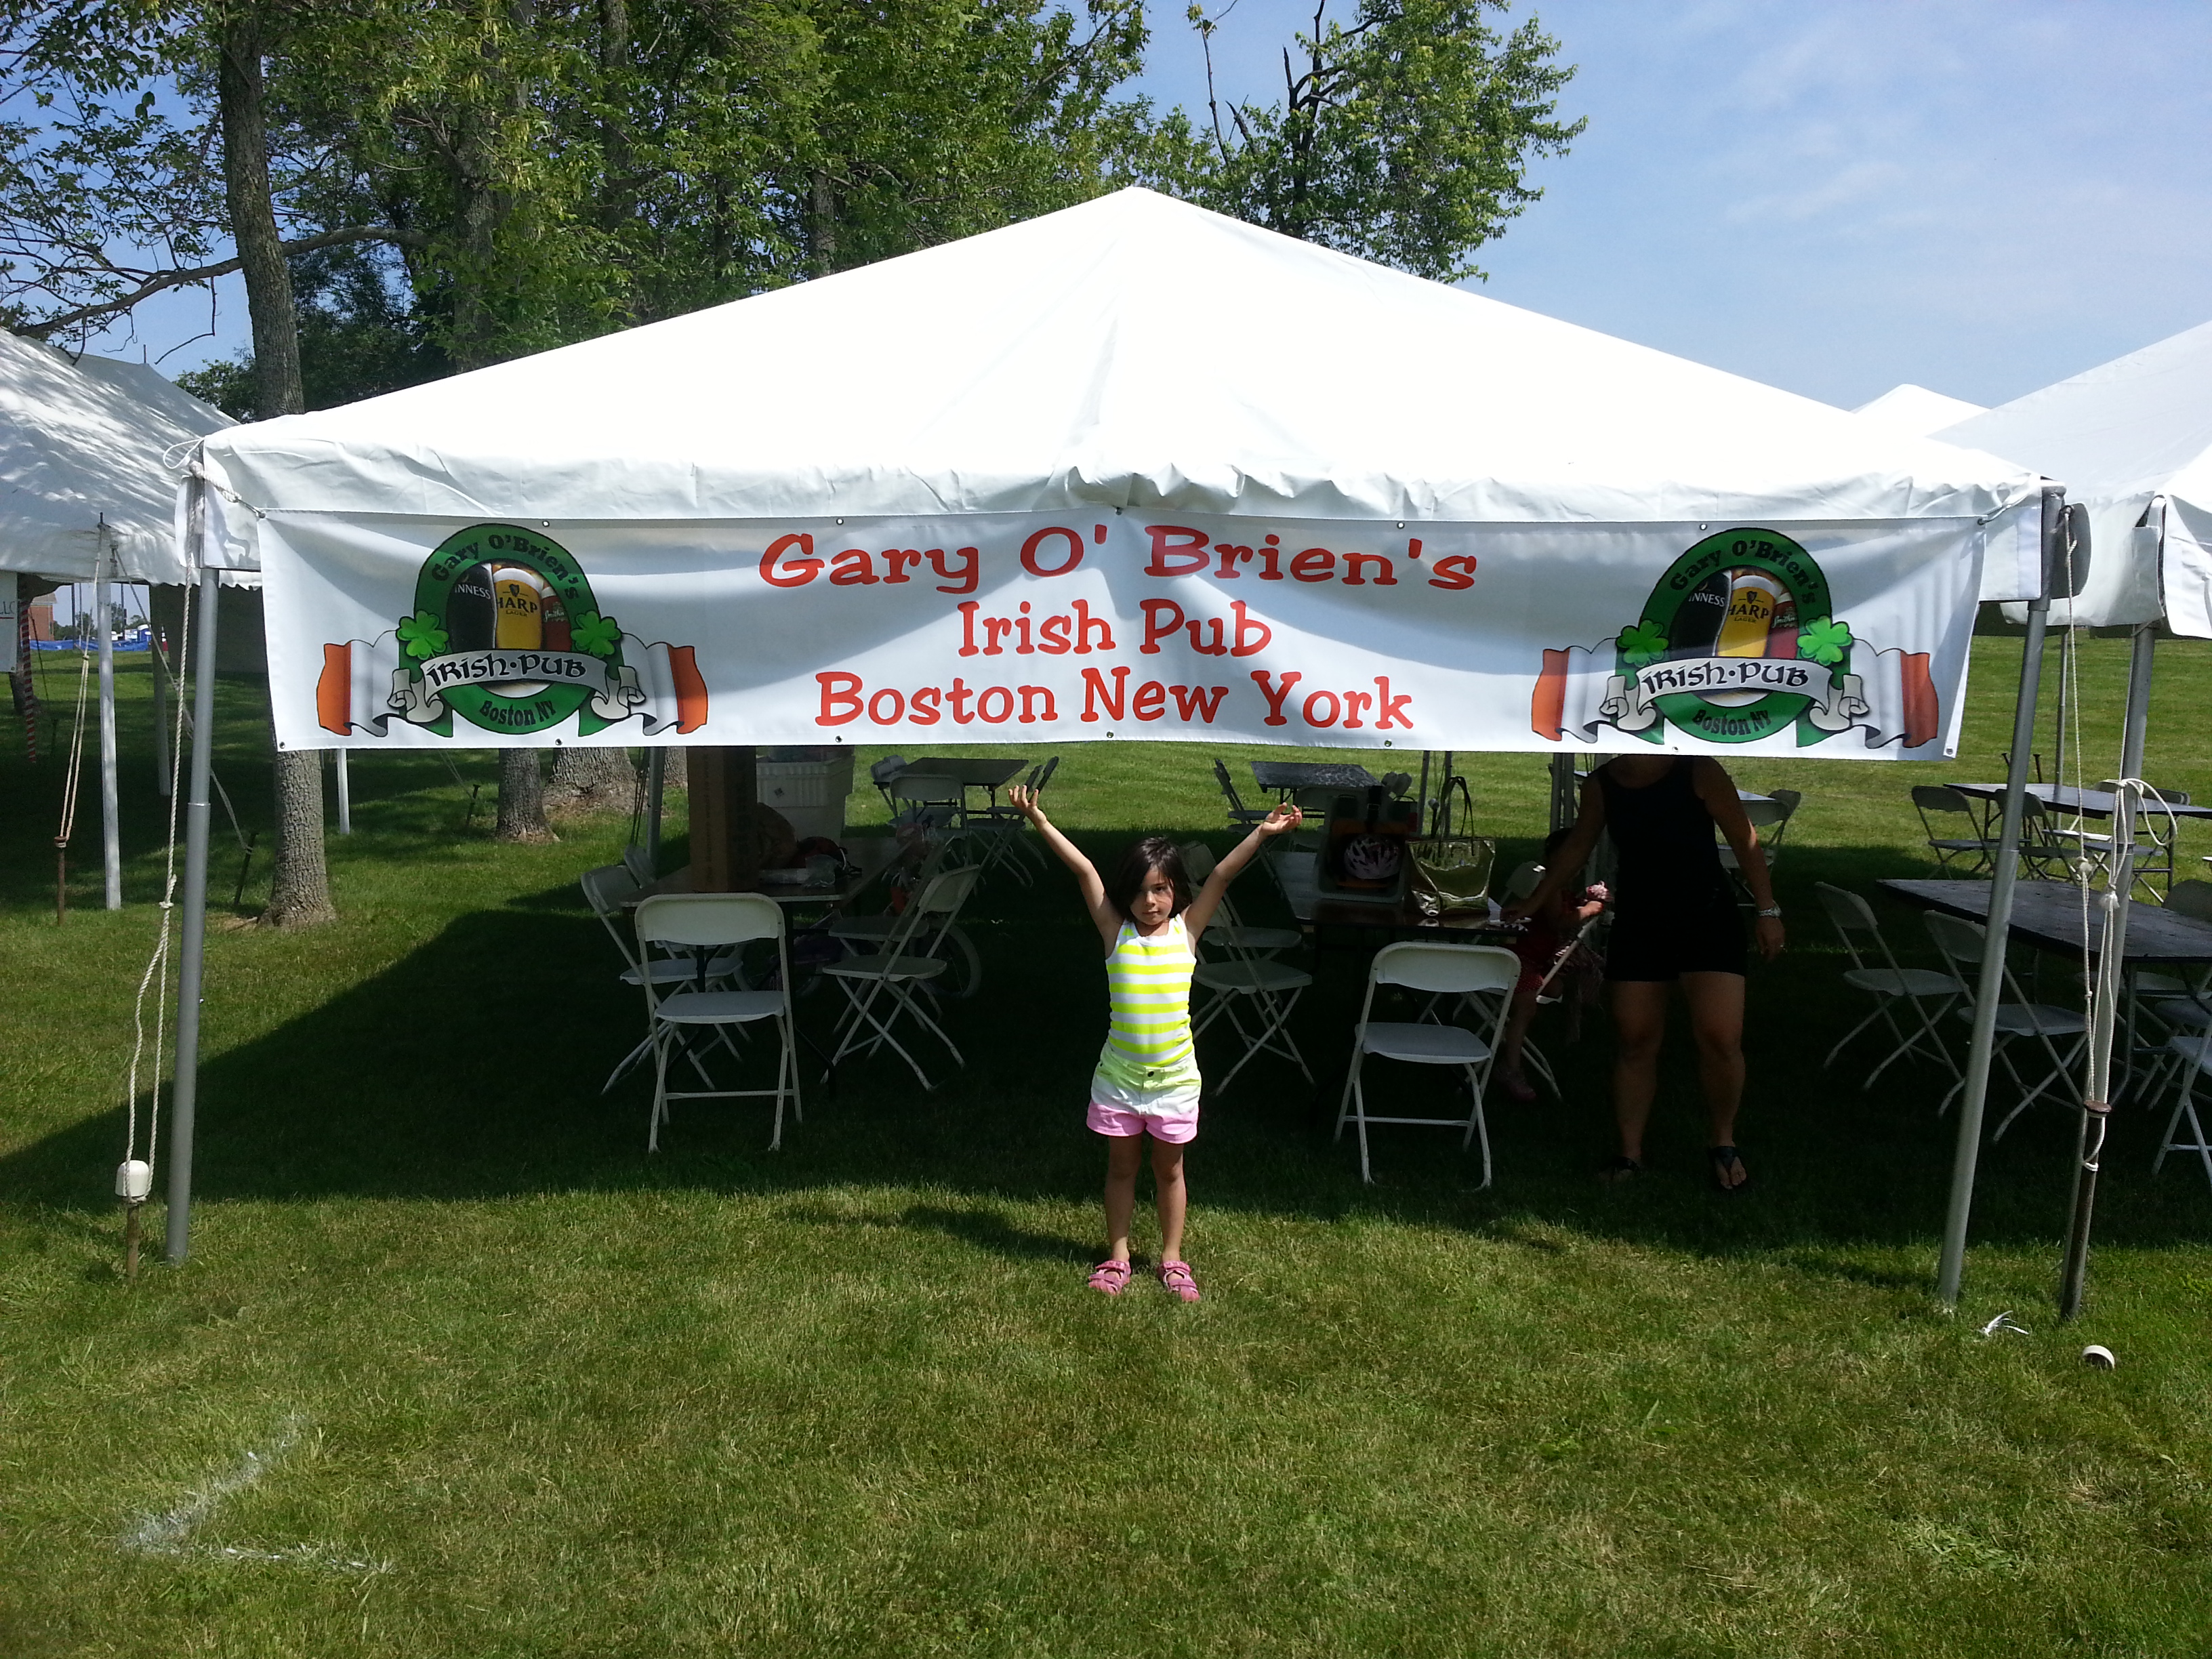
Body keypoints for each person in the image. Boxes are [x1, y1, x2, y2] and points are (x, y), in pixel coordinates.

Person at [1008, 782, 1302, 1300]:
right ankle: (1118, 1257)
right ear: (1126, 893)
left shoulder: (1187, 931)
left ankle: (1172, 1258)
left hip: (1175, 1081)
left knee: (1170, 1171)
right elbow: (1084, 870)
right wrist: (1040, 821)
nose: (1151, 901)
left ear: (1176, 892)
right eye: (1142, 891)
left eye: (1162, 889)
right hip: (1119, 1080)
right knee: (1121, 1168)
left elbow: (1222, 874)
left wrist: (1262, 833)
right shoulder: (1114, 932)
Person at [1506, 756, 1782, 1191]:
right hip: (1640, 923)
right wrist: (1538, 900)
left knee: (1720, 1038)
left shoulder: (1700, 772)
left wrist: (1767, 910)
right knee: (1636, 1040)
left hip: (1708, 919)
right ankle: (1630, 1154)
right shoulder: (1601, 784)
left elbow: (1744, 840)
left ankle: (1724, 1142)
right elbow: (1578, 845)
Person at [1496, 827, 1608, 1103]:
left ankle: (1509, 1036)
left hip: (1531, 958)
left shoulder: (1550, 883)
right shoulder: (1550, 886)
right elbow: (1559, 921)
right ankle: (1510, 1068)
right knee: (1527, 1006)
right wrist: (1588, 909)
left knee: (1556, 989)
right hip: (1519, 958)